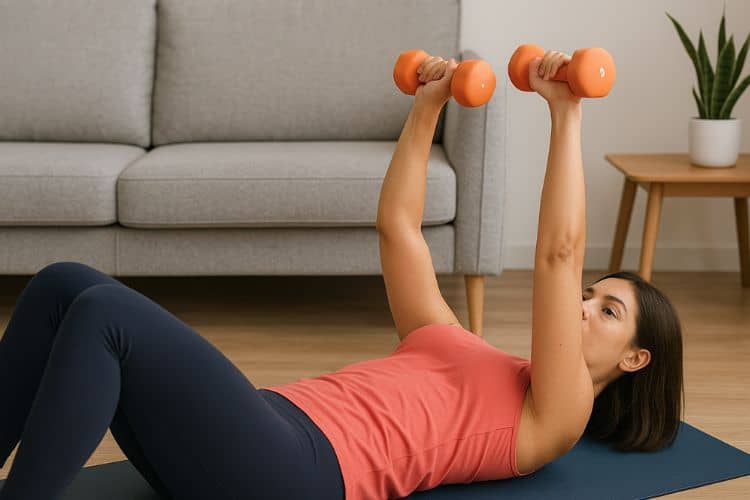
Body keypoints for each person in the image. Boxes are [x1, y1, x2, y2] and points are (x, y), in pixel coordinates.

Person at [0, 51, 684, 500]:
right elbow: (398, 228)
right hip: (258, 431)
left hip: (295, 470)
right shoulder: (462, 344)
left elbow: (558, 256)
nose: (584, 305)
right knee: (66, 282)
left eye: (609, 311)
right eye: (593, 295)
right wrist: (428, 106)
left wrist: (566, 114)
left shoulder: (560, 414)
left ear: (634, 358)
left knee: (104, 318)